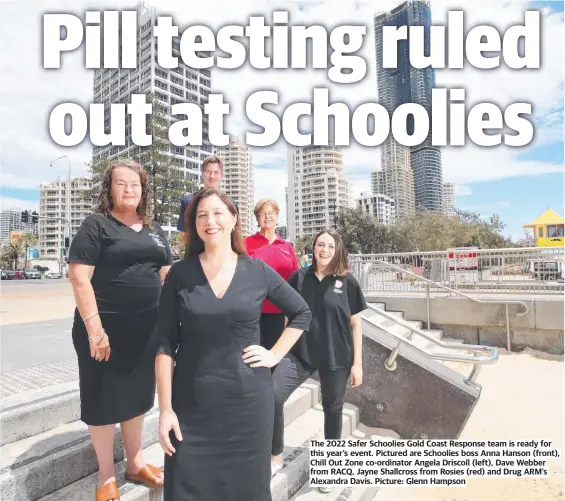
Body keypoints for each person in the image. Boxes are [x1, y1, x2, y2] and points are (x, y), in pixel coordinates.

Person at [154, 188, 311, 501]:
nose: (210, 221)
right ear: (194, 225)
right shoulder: (180, 274)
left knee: (247, 492)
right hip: (192, 408)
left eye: (217, 213)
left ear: (234, 219)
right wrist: (166, 410)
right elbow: (164, 343)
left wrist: (274, 353)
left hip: (248, 407)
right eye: (201, 215)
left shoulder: (256, 271)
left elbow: (302, 313)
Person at [68, 160, 172, 501]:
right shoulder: (96, 225)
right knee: (102, 398)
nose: (129, 189)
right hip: (104, 331)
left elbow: (168, 277)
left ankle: (136, 462)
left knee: (138, 398)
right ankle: (106, 474)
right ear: (109, 189)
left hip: (147, 332)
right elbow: (79, 277)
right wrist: (96, 331)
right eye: (121, 184)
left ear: (144, 190)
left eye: (135, 184)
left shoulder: (155, 231)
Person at [271, 229, 367, 494]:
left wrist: (357, 364)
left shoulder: (347, 281)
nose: (324, 250)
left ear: (337, 251)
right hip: (300, 352)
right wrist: (282, 348)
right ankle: (275, 454)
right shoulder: (298, 277)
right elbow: (288, 318)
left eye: (329, 246)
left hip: (337, 356)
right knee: (273, 394)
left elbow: (356, 324)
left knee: (333, 410)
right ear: (313, 248)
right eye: (319, 245)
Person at [244, 199, 300, 351]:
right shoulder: (245, 243)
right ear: (257, 218)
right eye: (263, 213)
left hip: (281, 312)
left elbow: (296, 278)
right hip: (253, 312)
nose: (267, 217)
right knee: (252, 357)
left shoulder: (287, 247)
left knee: (275, 358)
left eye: (271, 213)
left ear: (277, 216)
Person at [176, 156, 237, 243]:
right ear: (202, 173)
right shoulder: (188, 202)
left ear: (221, 175)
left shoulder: (231, 204)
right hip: (196, 255)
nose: (212, 176)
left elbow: (234, 235)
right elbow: (183, 235)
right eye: (208, 172)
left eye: (216, 172)